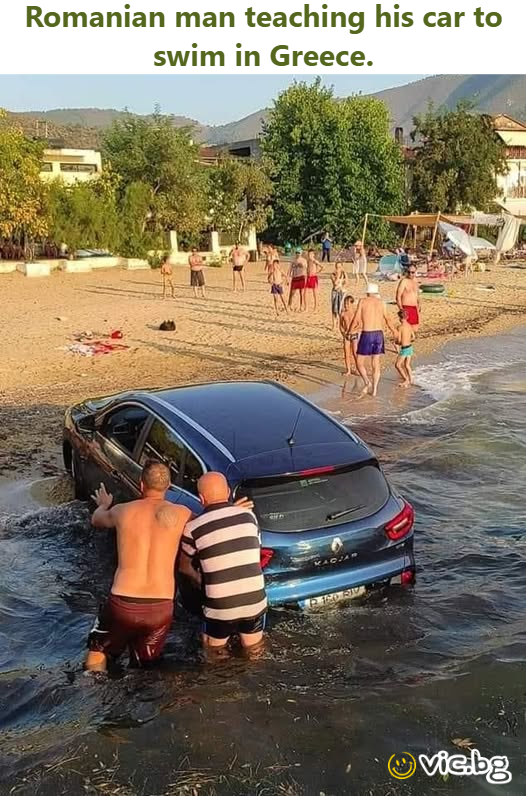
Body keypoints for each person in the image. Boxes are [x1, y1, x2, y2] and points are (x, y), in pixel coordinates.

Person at [85, 461, 191, 672]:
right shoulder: (183, 514)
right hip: (161, 607)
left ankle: (90, 688)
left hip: (122, 603)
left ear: (141, 484)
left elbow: (96, 520)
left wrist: (104, 504)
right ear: (169, 485)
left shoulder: (123, 511)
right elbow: (209, 524)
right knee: (145, 668)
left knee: (97, 651)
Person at [181, 472, 267, 650]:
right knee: (254, 649)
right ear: (228, 492)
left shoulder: (193, 528)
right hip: (255, 600)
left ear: (201, 498)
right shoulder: (249, 517)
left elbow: (184, 567)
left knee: (214, 650)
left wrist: (198, 580)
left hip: (220, 606)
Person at [351, 283, 397, 397]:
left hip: (367, 333)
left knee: (359, 361)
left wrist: (350, 330)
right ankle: (375, 390)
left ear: (367, 292)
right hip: (378, 334)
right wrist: (394, 331)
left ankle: (367, 382)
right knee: (375, 363)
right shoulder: (382, 303)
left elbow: (356, 319)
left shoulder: (362, 301)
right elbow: (388, 319)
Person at [394, 309, 416, 388]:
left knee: (398, 365)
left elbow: (399, 340)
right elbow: (413, 337)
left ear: (399, 318)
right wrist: (407, 340)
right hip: (410, 347)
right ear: (407, 317)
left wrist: (397, 342)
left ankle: (406, 380)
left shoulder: (399, 327)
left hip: (404, 349)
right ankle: (411, 379)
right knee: (407, 365)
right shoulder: (409, 325)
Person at [339, 294, 359, 376]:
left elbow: (359, 324)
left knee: (355, 353)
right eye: (345, 304)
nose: (346, 305)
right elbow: (340, 325)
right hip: (346, 335)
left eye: (347, 304)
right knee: (346, 353)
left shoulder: (355, 313)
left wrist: (354, 330)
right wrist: (343, 332)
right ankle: (348, 370)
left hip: (354, 334)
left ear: (352, 304)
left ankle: (358, 369)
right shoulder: (343, 313)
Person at [396, 264, 421, 329]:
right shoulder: (404, 281)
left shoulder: (415, 281)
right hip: (406, 307)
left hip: (414, 307)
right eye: (408, 272)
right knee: (406, 329)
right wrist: (401, 309)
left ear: (415, 272)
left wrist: (419, 304)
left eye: (412, 272)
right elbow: (398, 296)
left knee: (415, 329)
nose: (410, 274)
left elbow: (417, 294)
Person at [330, 262, 348, 331]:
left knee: (341, 309)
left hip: (342, 292)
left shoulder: (344, 274)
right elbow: (335, 283)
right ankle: (334, 325)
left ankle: (341, 324)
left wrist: (344, 275)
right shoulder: (332, 275)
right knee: (334, 309)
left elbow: (347, 283)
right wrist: (337, 276)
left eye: (340, 267)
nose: (338, 269)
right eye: (337, 267)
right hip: (335, 292)